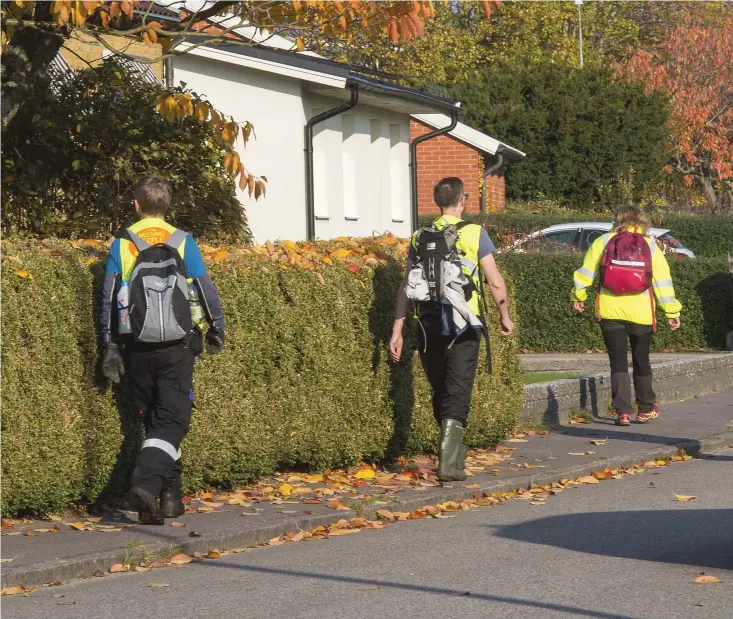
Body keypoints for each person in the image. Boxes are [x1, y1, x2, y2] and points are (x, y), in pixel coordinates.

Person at [100, 176, 225, 524]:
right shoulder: (183, 241)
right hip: (178, 345)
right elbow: (204, 288)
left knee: (156, 420)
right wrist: (217, 327)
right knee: (171, 420)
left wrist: (110, 345)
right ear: (167, 206)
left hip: (136, 345)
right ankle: (147, 484)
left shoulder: (122, 243)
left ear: (136, 205)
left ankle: (170, 499)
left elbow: (109, 297)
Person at [389, 177, 513, 481]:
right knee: (459, 388)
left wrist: (398, 329)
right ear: (463, 200)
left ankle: (451, 453)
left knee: (442, 387)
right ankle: (449, 461)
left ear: (437, 202)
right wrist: (504, 315)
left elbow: (407, 285)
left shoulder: (420, 235)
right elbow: (494, 280)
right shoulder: (474, 233)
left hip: (428, 323)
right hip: (464, 324)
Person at [571, 205, 681, 426]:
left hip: (610, 311)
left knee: (618, 361)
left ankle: (622, 412)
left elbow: (586, 272)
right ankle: (645, 409)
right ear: (642, 221)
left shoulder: (603, 241)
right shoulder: (650, 245)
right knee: (642, 360)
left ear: (616, 219)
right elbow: (662, 281)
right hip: (641, 313)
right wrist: (671, 311)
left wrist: (578, 295)